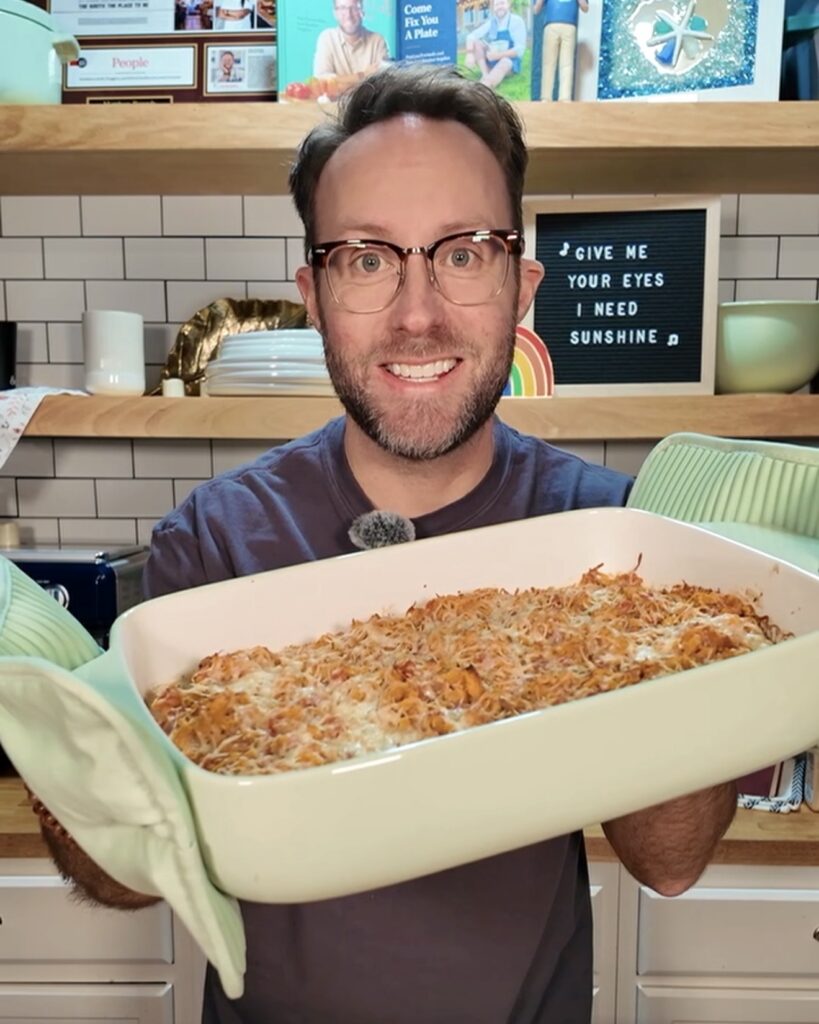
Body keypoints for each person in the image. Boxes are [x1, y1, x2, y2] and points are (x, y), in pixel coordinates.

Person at [29, 64, 737, 1024]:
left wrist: (676, 653)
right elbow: (126, 882)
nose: (416, 313)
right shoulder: (216, 538)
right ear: (312, 292)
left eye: (463, 252)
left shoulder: (611, 544)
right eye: (365, 258)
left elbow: (670, 860)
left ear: (520, 284)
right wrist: (60, 733)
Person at [313, 0, 389, 84]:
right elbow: (322, 81)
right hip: (339, 98)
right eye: (342, 8)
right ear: (335, 13)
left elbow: (382, 83)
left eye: (354, 8)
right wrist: (363, 75)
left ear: (362, 11)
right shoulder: (327, 38)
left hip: (367, 97)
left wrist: (339, 82)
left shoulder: (377, 41)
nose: (349, 15)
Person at [464, 0, 528, 91]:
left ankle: (484, 87)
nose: (499, 6)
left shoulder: (516, 21)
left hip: (509, 61)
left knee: (505, 61)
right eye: (497, 4)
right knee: (477, 43)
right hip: (493, 59)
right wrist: (469, 53)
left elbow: (519, 50)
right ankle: (485, 74)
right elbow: (471, 36)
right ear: (494, 7)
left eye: (502, 3)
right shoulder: (492, 22)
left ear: (508, 5)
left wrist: (497, 56)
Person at [532, 0, 588, 101]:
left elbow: (585, 8)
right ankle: (546, 96)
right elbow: (536, 9)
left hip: (569, 26)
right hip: (551, 25)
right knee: (548, 64)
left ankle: (565, 97)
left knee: (567, 64)